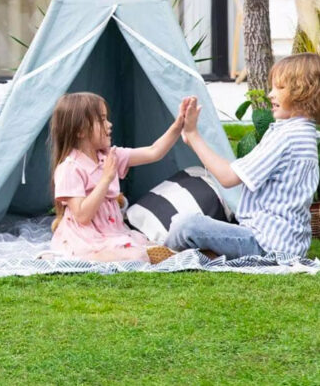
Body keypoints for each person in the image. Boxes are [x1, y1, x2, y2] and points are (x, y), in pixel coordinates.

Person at [166, 53, 320, 259]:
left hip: (265, 244)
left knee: (187, 224)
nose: (270, 94)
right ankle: (202, 255)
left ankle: (160, 255)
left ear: (303, 92)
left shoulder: (287, 136)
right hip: (286, 245)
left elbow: (228, 177)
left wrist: (193, 136)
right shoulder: (305, 134)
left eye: (280, 88)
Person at [49, 91, 190, 263]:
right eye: (102, 119)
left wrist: (178, 125)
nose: (109, 124)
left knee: (142, 246)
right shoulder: (70, 168)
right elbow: (82, 216)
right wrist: (106, 178)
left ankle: (146, 252)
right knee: (134, 255)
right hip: (85, 238)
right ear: (80, 131)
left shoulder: (109, 156)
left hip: (113, 233)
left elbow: (154, 152)